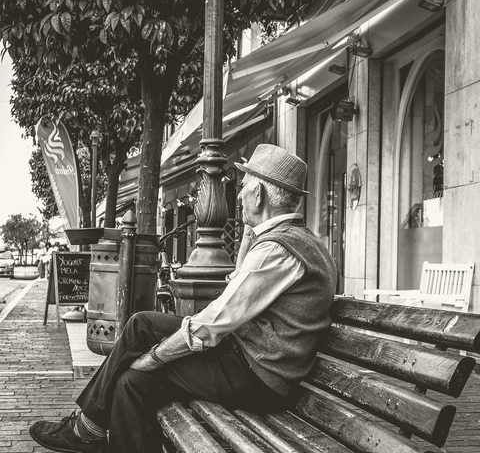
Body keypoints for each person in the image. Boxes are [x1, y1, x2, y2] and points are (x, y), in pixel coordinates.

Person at [29, 144, 337, 453]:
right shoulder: (298, 241)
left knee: (137, 354)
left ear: (258, 194)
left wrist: (156, 356)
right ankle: (88, 429)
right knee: (132, 372)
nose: (239, 196)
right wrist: (248, 232)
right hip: (256, 362)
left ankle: (86, 429)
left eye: (244, 187)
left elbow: (216, 321)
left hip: (259, 375)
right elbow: (238, 285)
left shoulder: (277, 250)